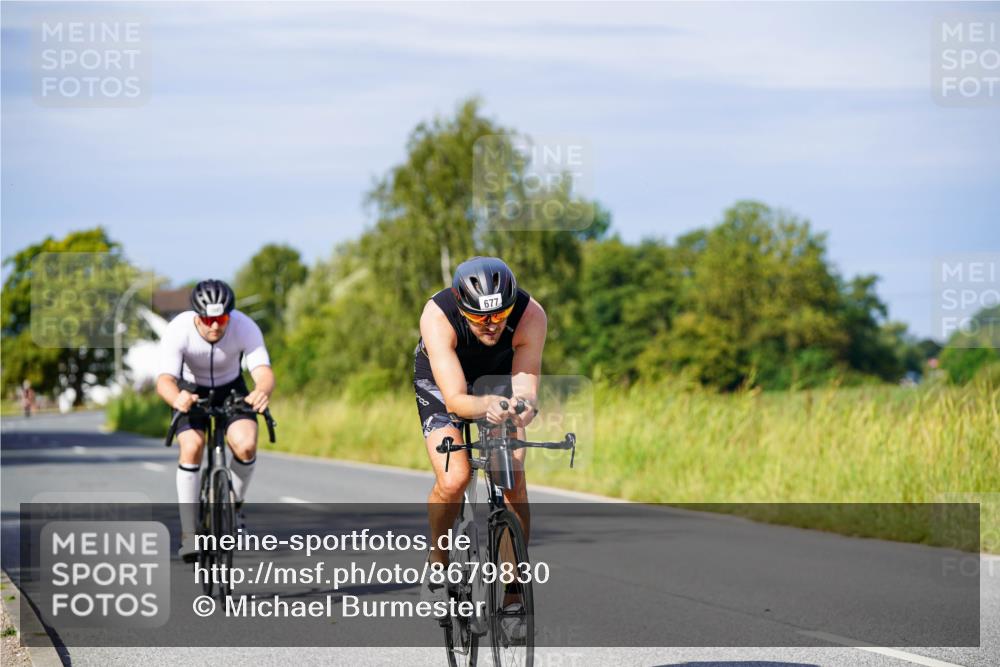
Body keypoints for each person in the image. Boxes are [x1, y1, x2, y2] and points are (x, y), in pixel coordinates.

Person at [413, 256, 546, 616]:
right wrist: (486, 404)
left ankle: (514, 592)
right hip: (444, 383)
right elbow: (455, 399)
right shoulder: (437, 316)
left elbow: (526, 387)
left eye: (500, 315)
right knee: (455, 477)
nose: (491, 325)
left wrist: (523, 407)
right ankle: (438, 562)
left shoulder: (531, 315)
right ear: (462, 307)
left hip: (499, 378)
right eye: (479, 317)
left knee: (512, 478)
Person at [156, 279, 274, 562]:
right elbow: (164, 381)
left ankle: (231, 509)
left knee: (246, 445)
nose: (214, 326)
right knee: (192, 446)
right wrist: (177, 399)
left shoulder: (244, 326)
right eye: (208, 319)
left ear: (229, 315)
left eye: (221, 319)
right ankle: (189, 535)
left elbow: (263, 370)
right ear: (197, 316)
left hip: (231, 388)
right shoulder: (179, 330)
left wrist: (261, 391)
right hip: (190, 390)